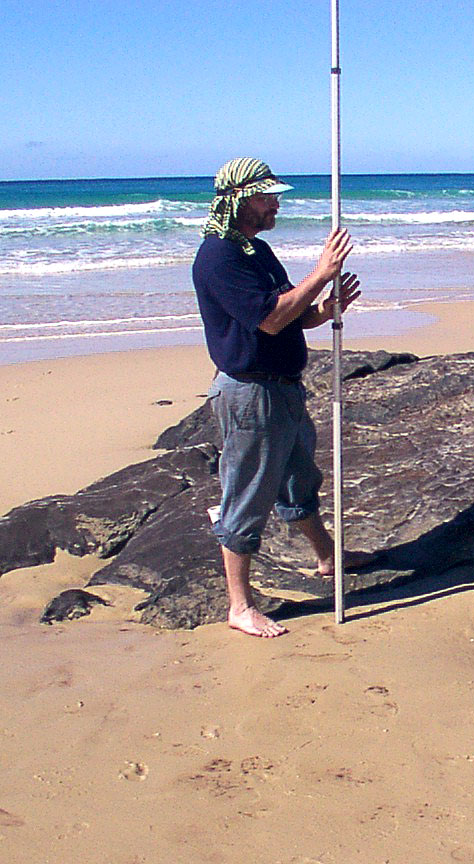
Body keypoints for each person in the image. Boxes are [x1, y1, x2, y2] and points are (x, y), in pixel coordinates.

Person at [192, 157, 362, 638]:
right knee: (247, 494)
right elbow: (267, 319)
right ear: (240, 199)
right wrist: (321, 272)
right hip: (250, 393)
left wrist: (325, 308)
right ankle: (239, 606)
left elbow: (290, 313)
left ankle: (328, 557)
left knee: (299, 479)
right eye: (267, 196)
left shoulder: (256, 252)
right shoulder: (218, 256)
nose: (276, 204)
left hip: (283, 386)